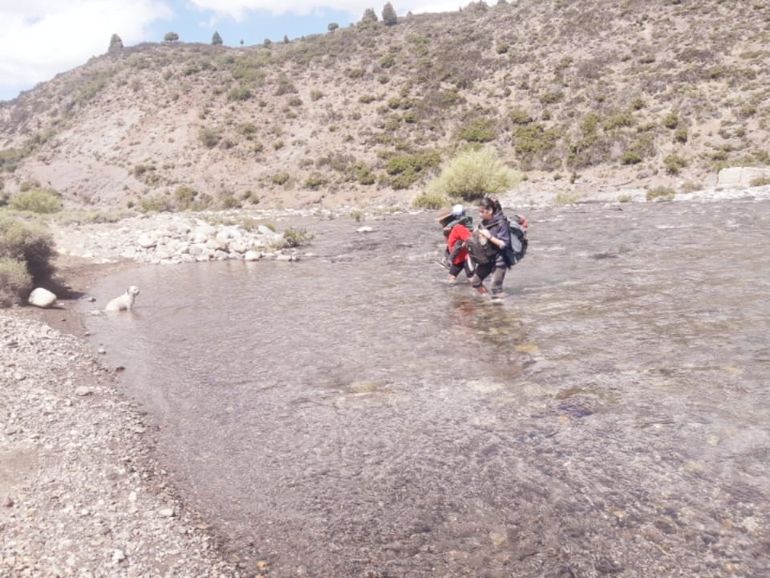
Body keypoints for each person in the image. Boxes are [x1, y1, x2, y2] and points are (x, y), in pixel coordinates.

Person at [469, 196, 513, 300]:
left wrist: (489, 236)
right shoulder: (484, 222)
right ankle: (488, 301)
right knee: (475, 282)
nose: (480, 214)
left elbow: (504, 244)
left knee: (496, 289)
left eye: (482, 212)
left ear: (490, 210)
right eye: (479, 212)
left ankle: (505, 306)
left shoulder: (501, 223)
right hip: (487, 259)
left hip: (500, 260)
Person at [444, 204, 474, 283]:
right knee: (450, 278)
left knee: (472, 279)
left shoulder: (459, 227)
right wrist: (447, 255)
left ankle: (484, 294)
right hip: (458, 258)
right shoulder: (455, 227)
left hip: (466, 257)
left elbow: (469, 240)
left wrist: (462, 247)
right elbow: (450, 243)